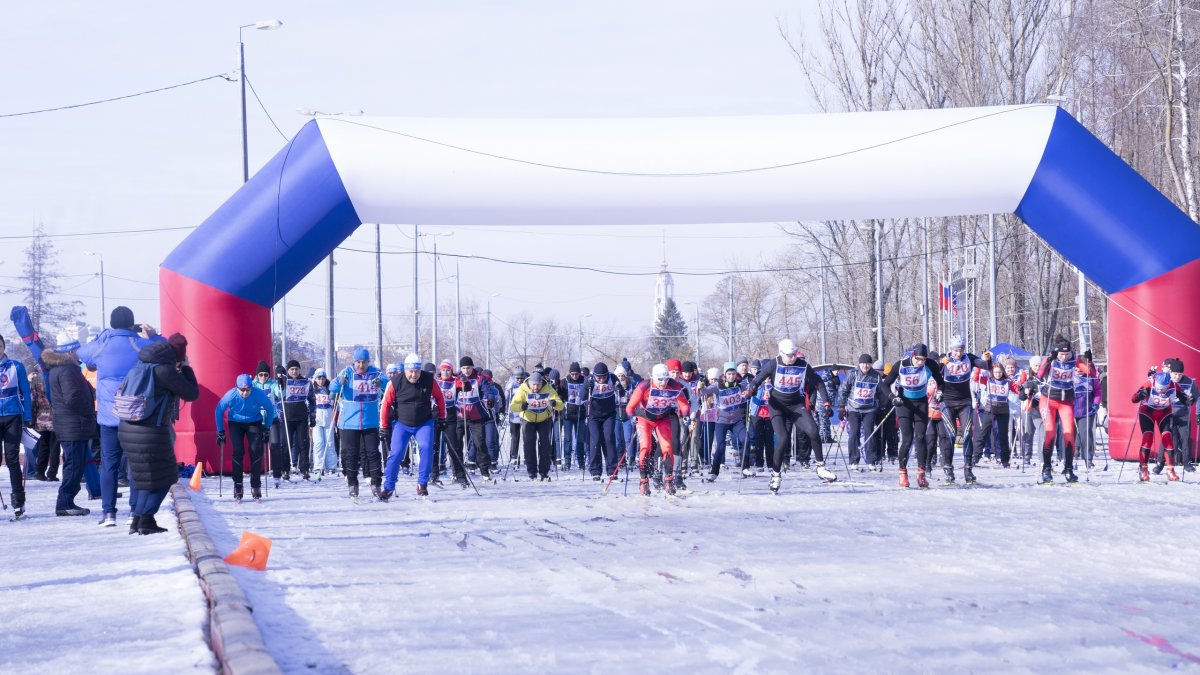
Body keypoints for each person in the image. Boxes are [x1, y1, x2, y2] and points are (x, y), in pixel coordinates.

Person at [75, 307, 161, 527]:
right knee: (135, 464)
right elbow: (169, 350)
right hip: (135, 414)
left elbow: (81, 354)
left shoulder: (103, 345)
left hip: (109, 415)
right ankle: (135, 510)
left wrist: (102, 336)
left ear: (112, 324)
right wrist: (154, 336)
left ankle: (109, 513)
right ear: (132, 323)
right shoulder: (141, 345)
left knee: (109, 464)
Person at [118, 334, 199, 534]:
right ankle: (145, 519)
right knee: (167, 476)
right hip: (150, 431)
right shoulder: (164, 370)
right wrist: (187, 368)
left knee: (144, 478)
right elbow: (191, 393)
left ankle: (139, 520)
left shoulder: (140, 364)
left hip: (127, 427)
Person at [747, 339, 837, 493]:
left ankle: (820, 467)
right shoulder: (774, 364)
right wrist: (752, 388)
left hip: (796, 405)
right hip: (777, 406)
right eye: (789, 355)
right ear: (781, 353)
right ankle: (776, 475)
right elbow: (758, 378)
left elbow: (819, 382)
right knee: (782, 438)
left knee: (813, 431)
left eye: (795, 354)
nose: (793, 357)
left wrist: (827, 403)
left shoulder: (802, 365)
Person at [379, 354, 446, 498]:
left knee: (427, 448)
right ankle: (389, 487)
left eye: (417, 371)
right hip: (402, 423)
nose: (414, 375)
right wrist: (384, 426)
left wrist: (442, 417)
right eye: (411, 371)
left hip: (424, 423)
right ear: (405, 370)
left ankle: (422, 483)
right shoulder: (396, 381)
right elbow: (385, 404)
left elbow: (440, 398)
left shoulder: (429, 380)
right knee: (396, 453)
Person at [881, 343, 946, 488]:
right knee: (907, 439)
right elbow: (884, 384)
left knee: (921, 437)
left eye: (923, 359)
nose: (920, 362)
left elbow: (941, 383)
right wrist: (893, 398)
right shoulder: (901, 365)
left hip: (921, 403)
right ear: (912, 355)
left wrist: (940, 392)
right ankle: (903, 473)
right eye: (918, 359)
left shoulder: (930, 365)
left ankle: (921, 474)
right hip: (904, 404)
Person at [44, 333, 94, 518]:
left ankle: (67, 501)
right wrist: (88, 409)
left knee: (74, 464)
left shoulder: (62, 368)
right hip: (73, 423)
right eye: (77, 350)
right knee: (74, 465)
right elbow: (72, 397)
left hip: (71, 423)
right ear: (71, 351)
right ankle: (64, 502)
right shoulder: (67, 370)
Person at [1032, 337, 1093, 483]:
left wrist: (1089, 361)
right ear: (1057, 352)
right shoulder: (1051, 359)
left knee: (1068, 435)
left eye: (1067, 354)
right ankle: (1046, 469)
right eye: (1061, 354)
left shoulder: (1075, 360)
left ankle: (1069, 469)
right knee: (1051, 433)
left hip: (1066, 402)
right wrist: (1049, 360)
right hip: (1048, 401)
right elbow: (1039, 375)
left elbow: (1090, 373)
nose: (1064, 357)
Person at [626, 364, 690, 496]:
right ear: (653, 378)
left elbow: (684, 403)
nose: (663, 382)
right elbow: (630, 407)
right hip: (645, 419)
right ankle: (644, 482)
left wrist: (685, 414)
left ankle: (668, 480)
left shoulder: (673, 385)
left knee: (667, 448)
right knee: (645, 448)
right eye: (660, 379)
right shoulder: (644, 386)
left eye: (666, 379)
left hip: (662, 418)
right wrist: (632, 417)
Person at [330, 348, 385, 498]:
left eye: (364, 362)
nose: (361, 365)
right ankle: (352, 484)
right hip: (349, 422)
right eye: (358, 362)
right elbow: (332, 387)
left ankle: (376, 483)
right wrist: (339, 381)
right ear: (354, 362)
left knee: (373, 453)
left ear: (368, 362)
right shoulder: (347, 372)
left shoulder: (375, 372)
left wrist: (381, 383)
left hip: (370, 421)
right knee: (351, 454)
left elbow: (387, 384)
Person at [215, 374, 276, 501]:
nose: (245, 393)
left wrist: (267, 428)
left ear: (251, 387)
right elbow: (219, 410)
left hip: (254, 422)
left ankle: (256, 484)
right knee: (238, 450)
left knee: (256, 450)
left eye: (248, 389)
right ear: (237, 388)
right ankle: (238, 485)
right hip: (235, 423)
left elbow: (270, 409)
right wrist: (220, 431)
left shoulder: (257, 393)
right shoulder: (231, 394)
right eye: (242, 390)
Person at [939, 336, 993, 465]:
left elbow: (986, 366)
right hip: (948, 402)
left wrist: (988, 359)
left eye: (961, 350)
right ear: (951, 349)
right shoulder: (945, 359)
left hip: (964, 402)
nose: (958, 353)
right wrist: (940, 364)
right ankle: (948, 466)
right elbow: (935, 373)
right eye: (956, 350)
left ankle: (968, 468)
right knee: (951, 435)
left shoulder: (969, 358)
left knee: (967, 434)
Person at [1132, 369, 1191, 481]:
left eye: (1163, 389)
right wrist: (1140, 395)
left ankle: (1170, 470)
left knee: (1167, 439)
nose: (1161, 391)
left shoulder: (1173, 385)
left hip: (1164, 413)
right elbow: (1133, 399)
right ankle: (1143, 468)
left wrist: (1189, 400)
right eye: (1158, 388)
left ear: (1168, 385)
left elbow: (1184, 399)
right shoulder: (1149, 383)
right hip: (1147, 412)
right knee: (1148, 437)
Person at [509, 371, 564, 480]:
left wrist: (554, 404)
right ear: (529, 383)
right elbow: (513, 406)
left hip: (544, 419)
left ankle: (544, 471)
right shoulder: (523, 389)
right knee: (529, 444)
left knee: (545, 445)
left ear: (541, 383)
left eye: (538, 384)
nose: (535, 387)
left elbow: (560, 405)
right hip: (528, 419)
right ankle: (532, 471)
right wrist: (521, 406)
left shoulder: (548, 388)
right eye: (533, 384)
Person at [0, 335, 33, 520]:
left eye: (0, 346)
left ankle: (18, 504)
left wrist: (27, 415)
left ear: (4, 347)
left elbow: (26, 391)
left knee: (12, 460)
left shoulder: (16, 366)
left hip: (13, 417)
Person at [971, 360, 1021, 480]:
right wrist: (978, 366)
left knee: (1003, 436)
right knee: (983, 433)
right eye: (996, 372)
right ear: (992, 372)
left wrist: (1023, 388)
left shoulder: (1007, 382)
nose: (998, 374)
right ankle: (975, 457)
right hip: (990, 409)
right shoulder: (988, 380)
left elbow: (1017, 389)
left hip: (1003, 411)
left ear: (1002, 372)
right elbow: (976, 378)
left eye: (999, 372)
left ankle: (1005, 460)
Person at [701, 362, 747, 481]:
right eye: (729, 374)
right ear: (725, 374)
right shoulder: (718, 385)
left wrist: (751, 392)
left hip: (736, 421)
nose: (731, 376)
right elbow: (704, 391)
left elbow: (749, 392)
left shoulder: (740, 385)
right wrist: (700, 387)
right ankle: (714, 472)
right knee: (720, 447)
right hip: (721, 421)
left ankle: (745, 467)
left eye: (733, 374)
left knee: (745, 440)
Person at [837, 354, 883, 471]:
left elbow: (880, 392)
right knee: (854, 432)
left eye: (868, 363)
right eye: (863, 363)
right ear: (859, 364)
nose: (865, 366)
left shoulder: (876, 376)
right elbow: (843, 390)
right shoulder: (853, 374)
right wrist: (841, 407)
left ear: (871, 364)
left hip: (869, 409)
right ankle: (854, 460)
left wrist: (882, 406)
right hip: (854, 409)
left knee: (869, 433)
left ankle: (871, 460)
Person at [454, 356, 493, 480]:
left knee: (480, 443)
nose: (466, 371)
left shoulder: (479, 379)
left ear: (472, 367)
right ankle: (457, 472)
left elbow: (487, 391)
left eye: (469, 368)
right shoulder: (456, 379)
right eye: (464, 368)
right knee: (457, 444)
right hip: (460, 415)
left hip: (476, 416)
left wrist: (489, 399)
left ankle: (485, 471)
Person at [1156, 358, 1196, 473]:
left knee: (1186, 438)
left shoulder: (1189, 381)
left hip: (1183, 415)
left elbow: (1196, 397)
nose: (1177, 377)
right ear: (1170, 373)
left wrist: (1195, 407)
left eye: (1179, 374)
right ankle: (1160, 463)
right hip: (1168, 415)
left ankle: (1187, 463)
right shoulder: (1165, 380)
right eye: (1175, 374)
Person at [278, 360, 316, 480]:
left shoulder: (305, 382)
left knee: (303, 444)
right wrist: (279, 382)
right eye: (291, 369)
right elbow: (278, 398)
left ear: (299, 370)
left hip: (301, 417)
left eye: (296, 369)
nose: (294, 371)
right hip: (287, 417)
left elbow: (312, 400)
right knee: (286, 444)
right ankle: (285, 469)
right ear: (288, 371)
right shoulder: (284, 382)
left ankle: (304, 469)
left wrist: (313, 416)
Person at [251, 361, 285, 486]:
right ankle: (256, 476)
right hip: (257, 420)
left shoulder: (273, 384)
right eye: (261, 375)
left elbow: (281, 394)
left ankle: (277, 475)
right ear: (257, 375)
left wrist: (282, 385)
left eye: (266, 375)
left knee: (275, 446)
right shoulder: (253, 385)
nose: (263, 377)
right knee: (257, 448)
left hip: (272, 419)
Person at [584, 362, 620, 480]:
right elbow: (583, 396)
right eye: (599, 377)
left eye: (604, 377)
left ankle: (612, 469)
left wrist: (619, 388)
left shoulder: (612, 377)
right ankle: (595, 470)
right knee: (595, 441)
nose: (601, 379)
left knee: (609, 439)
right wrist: (587, 387)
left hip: (609, 414)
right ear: (594, 375)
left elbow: (622, 393)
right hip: (594, 416)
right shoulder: (589, 379)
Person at [433, 360, 464, 482]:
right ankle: (434, 475)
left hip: (450, 416)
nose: (445, 373)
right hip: (436, 415)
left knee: (453, 447)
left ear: (451, 371)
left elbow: (466, 387)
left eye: (448, 370)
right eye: (443, 370)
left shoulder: (455, 382)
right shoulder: (435, 381)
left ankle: (459, 475)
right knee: (434, 446)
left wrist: (463, 379)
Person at [1073, 358, 1103, 471]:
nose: (1079, 370)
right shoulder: (1070, 377)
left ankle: (1088, 458)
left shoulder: (1091, 377)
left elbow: (1098, 391)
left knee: (1086, 434)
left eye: (1081, 368)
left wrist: (1096, 403)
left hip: (1087, 410)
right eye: (1077, 368)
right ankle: (1069, 458)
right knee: (1070, 434)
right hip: (1072, 410)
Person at [29, 371, 59, 482]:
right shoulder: (55, 381)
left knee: (43, 447)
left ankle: (39, 472)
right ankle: (52, 473)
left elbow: (33, 402)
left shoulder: (36, 385)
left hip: (41, 419)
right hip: (55, 418)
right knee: (55, 447)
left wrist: (32, 419)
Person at [310, 369, 338, 477]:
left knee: (330, 442)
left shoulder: (330, 388)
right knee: (318, 443)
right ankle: (318, 466)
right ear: (315, 379)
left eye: (323, 378)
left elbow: (336, 401)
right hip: (317, 419)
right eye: (318, 378)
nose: (321, 381)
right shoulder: (312, 389)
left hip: (328, 417)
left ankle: (331, 466)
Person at [561, 362, 588, 471]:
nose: (575, 376)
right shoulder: (565, 381)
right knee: (567, 439)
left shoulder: (584, 380)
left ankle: (580, 461)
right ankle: (567, 461)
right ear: (569, 373)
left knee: (580, 439)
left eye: (577, 374)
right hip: (568, 415)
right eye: (572, 374)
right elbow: (559, 394)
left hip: (580, 414)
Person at [614, 365, 638, 465]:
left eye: (622, 376)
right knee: (618, 439)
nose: (620, 378)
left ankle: (630, 457)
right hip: (617, 414)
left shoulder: (631, 385)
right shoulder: (614, 386)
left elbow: (635, 398)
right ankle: (620, 458)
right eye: (618, 376)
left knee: (628, 438)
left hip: (628, 414)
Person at [504, 366, 528, 467]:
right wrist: (505, 411)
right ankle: (514, 457)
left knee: (527, 437)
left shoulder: (527, 384)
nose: (519, 380)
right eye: (517, 378)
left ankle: (527, 457)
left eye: (521, 378)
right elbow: (506, 399)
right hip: (514, 416)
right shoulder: (510, 384)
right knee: (515, 437)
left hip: (525, 415)